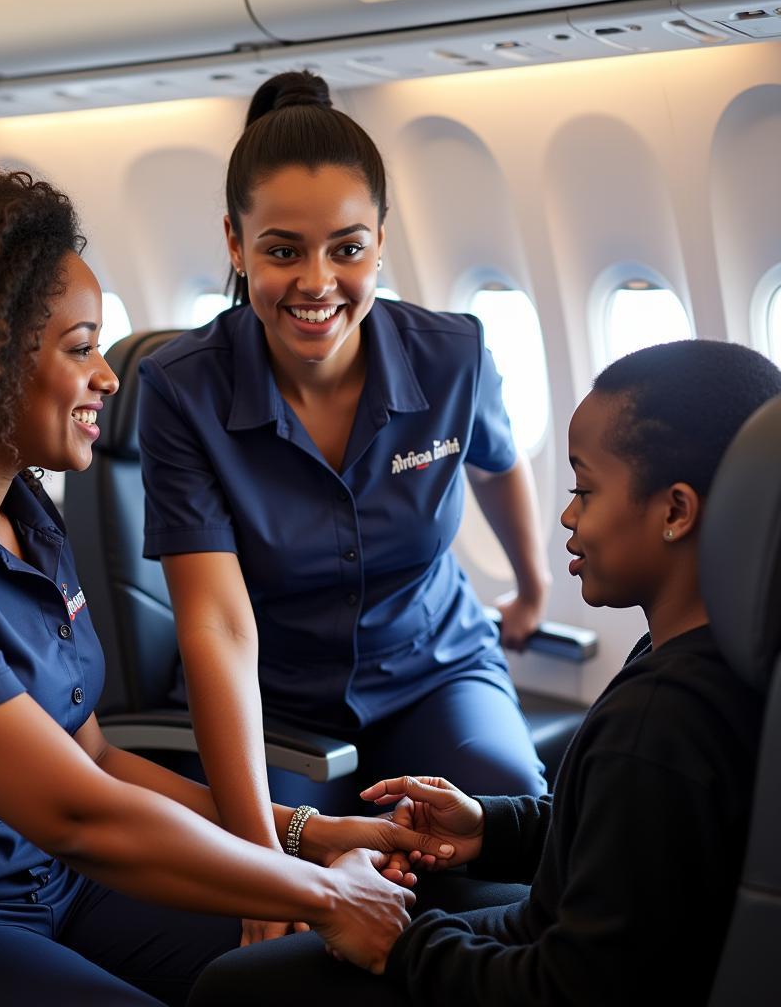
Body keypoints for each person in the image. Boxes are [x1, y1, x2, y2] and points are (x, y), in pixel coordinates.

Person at [0, 167, 456, 1007]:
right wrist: (321, 890)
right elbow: (76, 814)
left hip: (53, 884)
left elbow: (94, 756)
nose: (109, 376)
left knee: (319, 978)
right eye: (81, 347)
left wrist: (308, 834)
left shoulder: (22, 511)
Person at [187, 338, 781, 1006]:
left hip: (545, 965)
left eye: (584, 489)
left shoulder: (657, 724)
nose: (567, 514)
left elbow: (571, 989)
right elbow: (627, 844)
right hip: (550, 932)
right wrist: (489, 826)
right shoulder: (724, 654)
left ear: (675, 511)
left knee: (231, 989)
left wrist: (396, 946)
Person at [137, 70, 550, 942]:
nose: (318, 283)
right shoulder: (180, 392)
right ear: (236, 243)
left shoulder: (452, 353)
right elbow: (217, 628)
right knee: (293, 920)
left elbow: (498, 460)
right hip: (277, 699)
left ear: (382, 243)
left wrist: (531, 585)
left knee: (524, 849)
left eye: (347, 249)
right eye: (283, 250)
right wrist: (256, 866)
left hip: (437, 669)